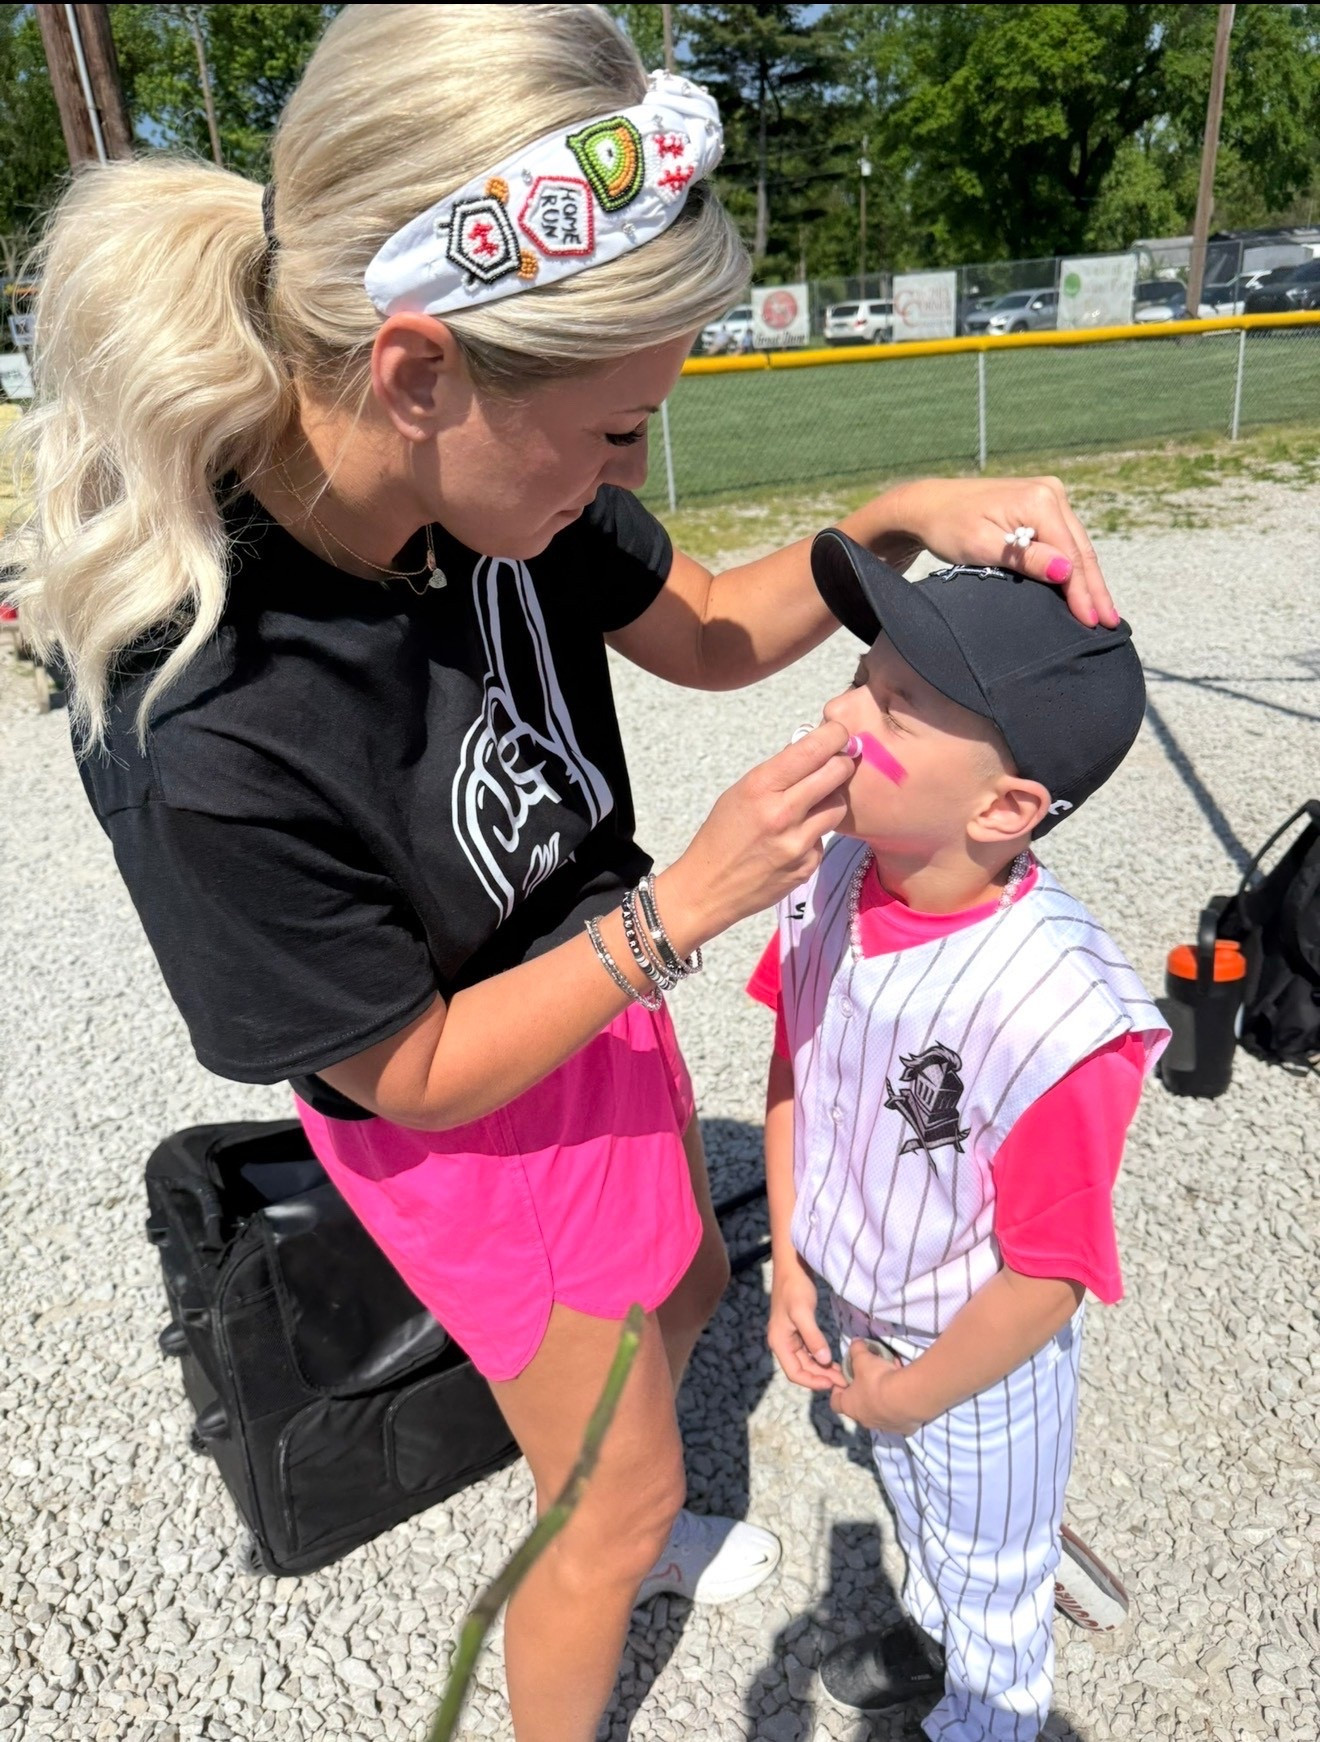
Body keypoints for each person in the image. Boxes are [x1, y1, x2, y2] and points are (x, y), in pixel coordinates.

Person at [4, 8, 1120, 1739]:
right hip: (469, 1109)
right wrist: (690, 907)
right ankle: (609, 1553)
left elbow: (717, 628)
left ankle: (645, 1497)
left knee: (679, 1277)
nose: (632, 477)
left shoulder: (488, 476)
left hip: (599, 988)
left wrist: (899, 515)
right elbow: (406, 1069)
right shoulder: (206, 712)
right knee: (597, 1503)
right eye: (614, 437)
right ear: (420, 371)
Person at [750, 532, 1169, 1741]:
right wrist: (789, 1260)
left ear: (1005, 805)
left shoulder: (1054, 1009)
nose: (838, 711)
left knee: (998, 1602)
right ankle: (931, 1615)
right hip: (859, 1305)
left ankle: (977, 1687)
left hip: (977, 1358)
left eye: (896, 703)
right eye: (859, 673)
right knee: (919, 1510)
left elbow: (1048, 1274)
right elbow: (796, 1064)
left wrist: (909, 1394)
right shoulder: (835, 869)